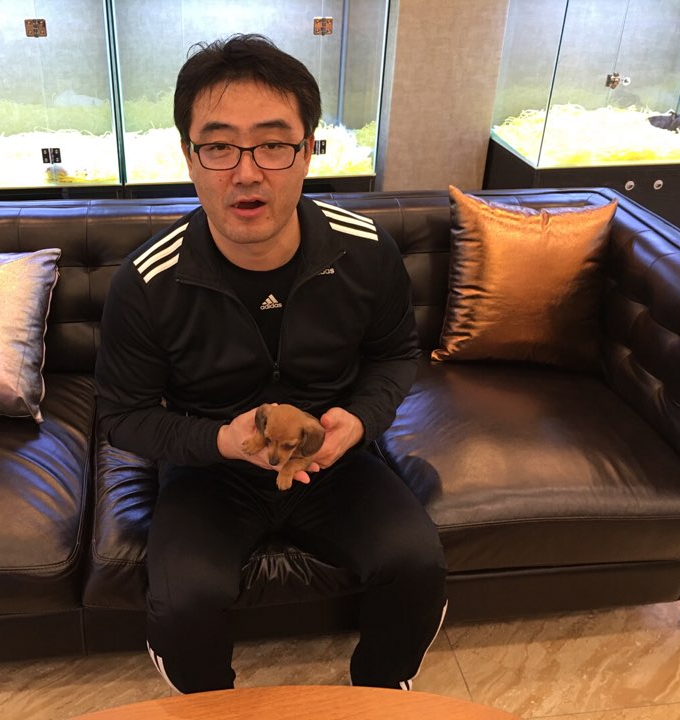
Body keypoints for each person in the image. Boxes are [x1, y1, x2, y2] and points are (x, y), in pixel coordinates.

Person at [95, 34, 447, 694]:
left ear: (308, 151)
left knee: (416, 562)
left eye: (273, 144)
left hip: (334, 460)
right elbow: (123, 414)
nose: (247, 172)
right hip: (209, 471)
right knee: (183, 599)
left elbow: (395, 353)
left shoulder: (366, 252)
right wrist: (219, 441)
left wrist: (358, 421)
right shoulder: (146, 281)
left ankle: (380, 693)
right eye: (219, 146)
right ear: (189, 157)